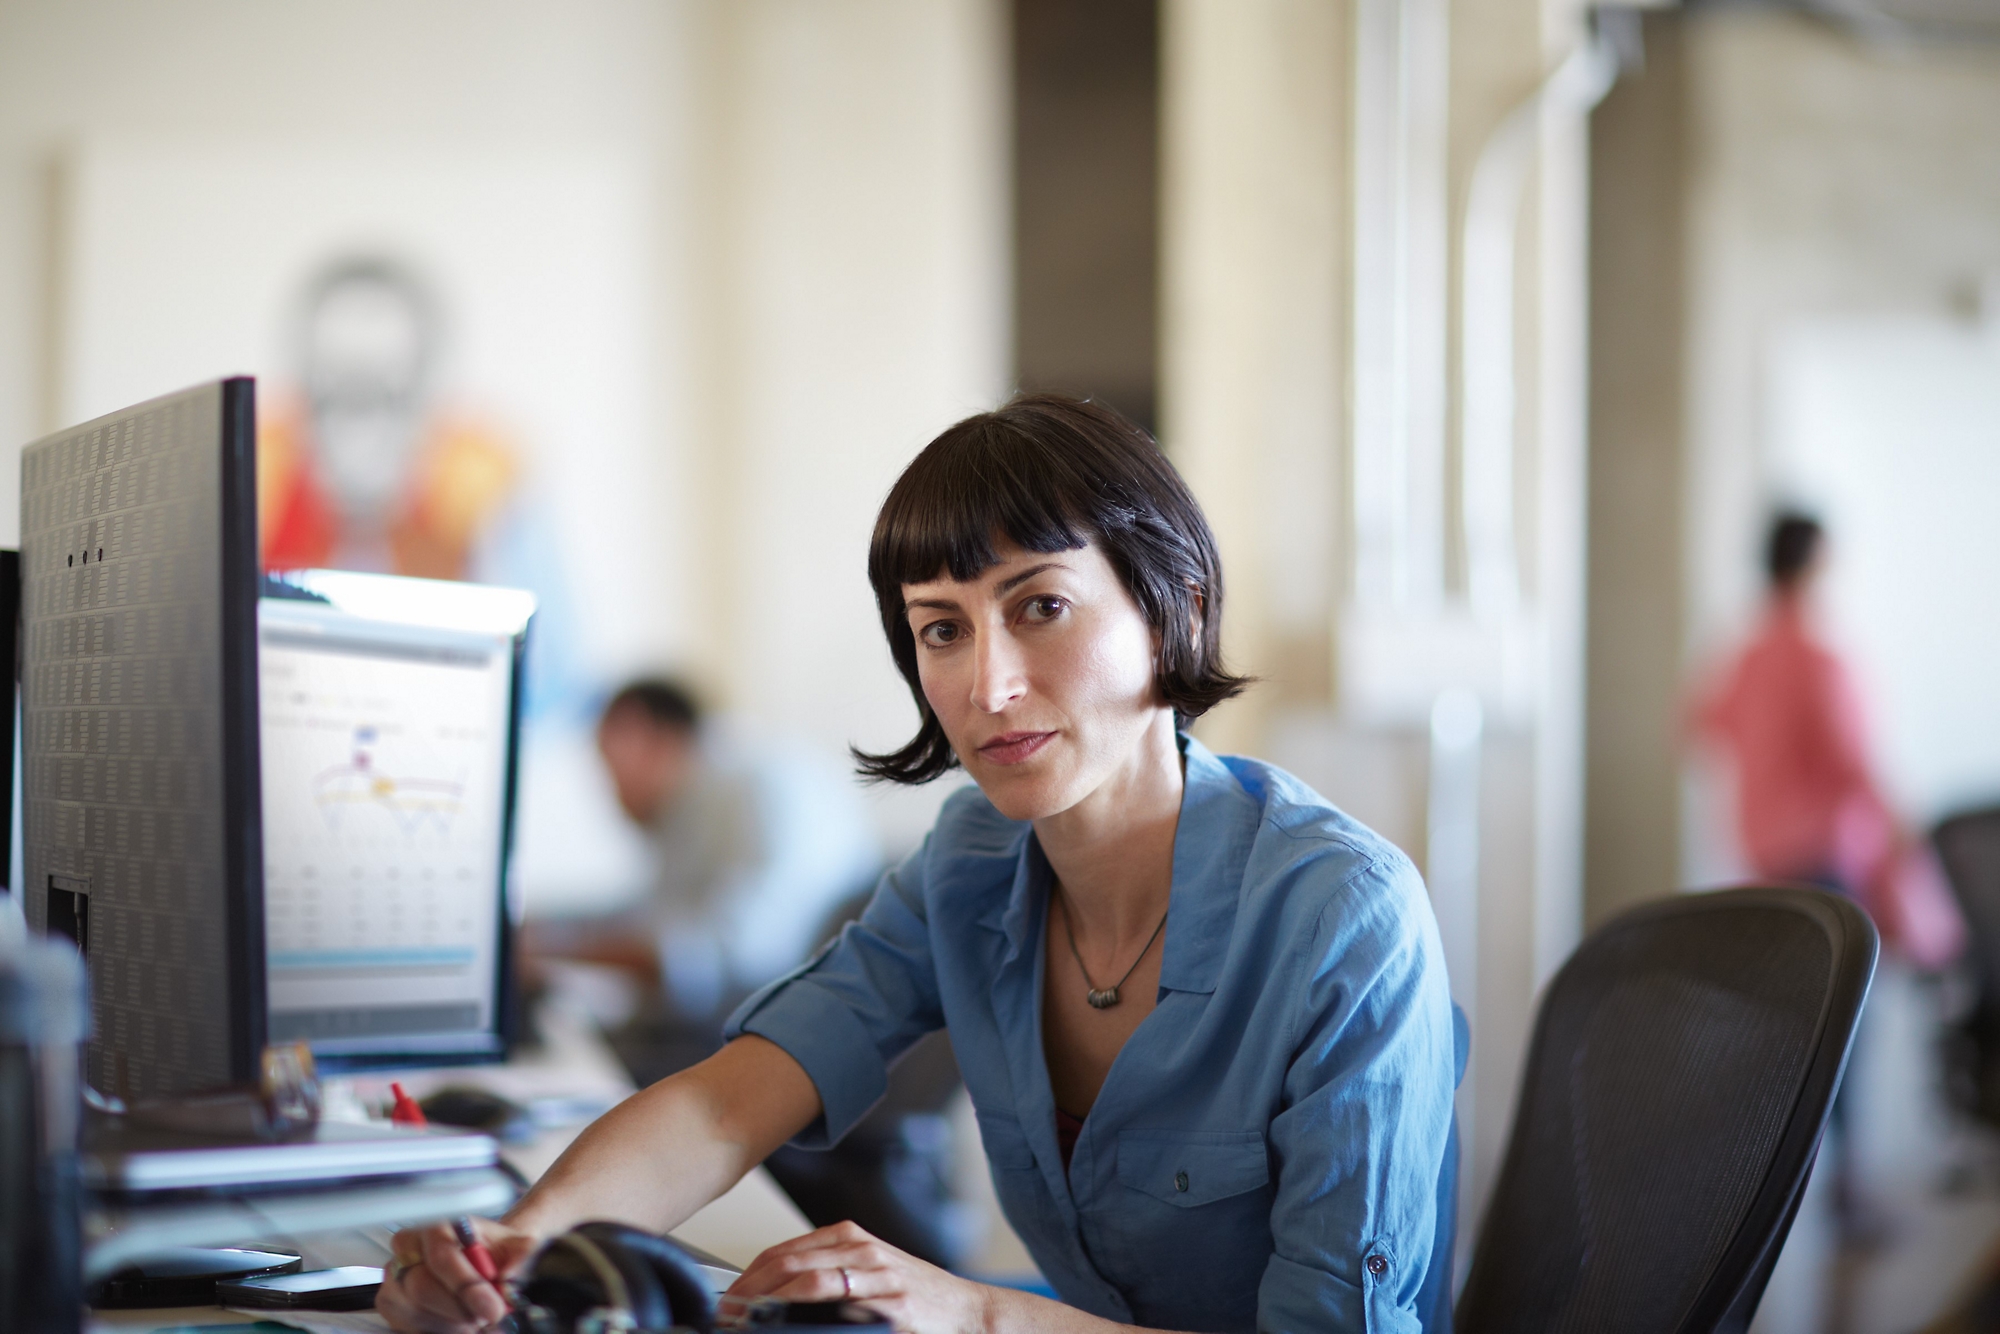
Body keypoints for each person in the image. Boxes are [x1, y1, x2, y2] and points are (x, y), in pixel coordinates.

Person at [382, 395, 1461, 1333]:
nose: (985, 685)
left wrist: (972, 1308)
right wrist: (510, 1243)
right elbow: (726, 1105)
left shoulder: (1342, 919)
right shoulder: (972, 861)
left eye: (1040, 605)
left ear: (1168, 606)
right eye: (941, 629)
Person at [529, 678, 882, 1066]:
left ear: (638, 732)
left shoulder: (754, 787)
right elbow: (647, 914)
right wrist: (538, 928)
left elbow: (717, 956)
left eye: (608, 764)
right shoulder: (703, 791)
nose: (608, 792)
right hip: (747, 1032)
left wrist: (550, 948)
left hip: (775, 1050)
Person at [1694, 511, 1961, 966]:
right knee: (1847, 1009)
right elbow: (1851, 759)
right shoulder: (1817, 658)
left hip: (1762, 858)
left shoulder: (1745, 656)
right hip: (1821, 861)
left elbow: (1700, 725)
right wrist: (1900, 823)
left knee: (1791, 999)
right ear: (1817, 565)